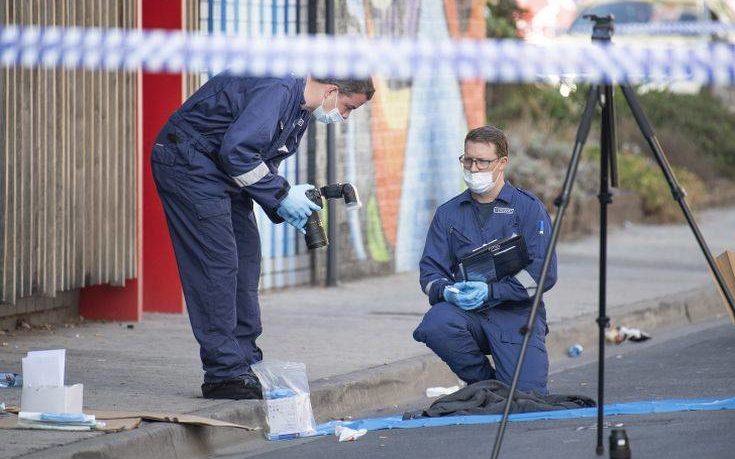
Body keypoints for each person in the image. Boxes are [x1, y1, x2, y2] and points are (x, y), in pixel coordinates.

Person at [151, 73, 374, 399]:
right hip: (189, 162)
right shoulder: (279, 90)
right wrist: (282, 195)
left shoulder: (300, 110)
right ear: (332, 90)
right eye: (348, 107)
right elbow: (238, 153)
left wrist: (284, 204)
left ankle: (245, 362)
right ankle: (224, 374)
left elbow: (257, 161)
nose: (344, 116)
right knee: (218, 263)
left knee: (246, 258)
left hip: (218, 169)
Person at [413, 125, 557, 395]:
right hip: (468, 314)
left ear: (502, 163)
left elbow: (544, 274)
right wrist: (449, 291)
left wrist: (492, 291)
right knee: (436, 323)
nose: (474, 168)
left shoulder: (527, 209)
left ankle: (506, 386)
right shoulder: (448, 214)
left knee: (526, 397)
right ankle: (484, 383)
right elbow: (430, 272)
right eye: (468, 159)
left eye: (482, 161)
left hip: (516, 316)